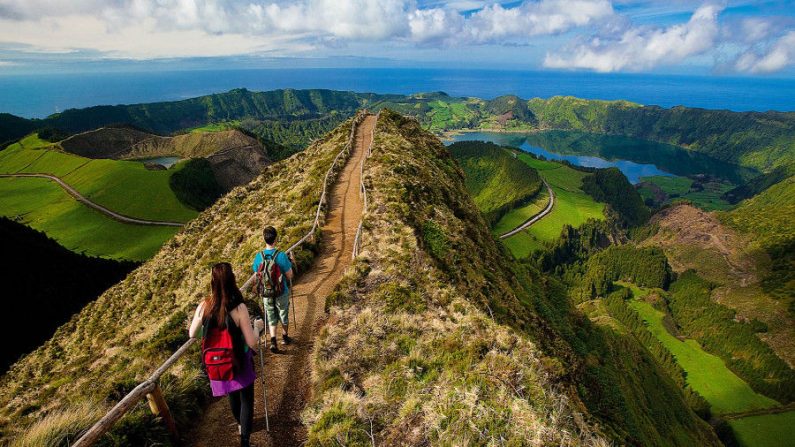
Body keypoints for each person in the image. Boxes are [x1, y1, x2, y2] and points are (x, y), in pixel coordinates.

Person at [189, 262, 264, 447]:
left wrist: (207, 334)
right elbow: (251, 342)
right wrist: (257, 328)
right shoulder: (238, 308)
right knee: (247, 399)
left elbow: (192, 333)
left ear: (212, 282)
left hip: (217, 362)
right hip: (239, 360)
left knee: (232, 394)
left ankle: (240, 425)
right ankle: (245, 441)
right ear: (232, 280)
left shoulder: (204, 306)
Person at [252, 226, 294, 353]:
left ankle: (273, 340)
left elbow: (256, 275)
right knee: (283, 313)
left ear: (264, 239)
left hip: (266, 293)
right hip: (281, 292)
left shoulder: (258, 257)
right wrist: (291, 262)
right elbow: (289, 275)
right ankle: (285, 337)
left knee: (271, 315)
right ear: (276, 239)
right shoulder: (281, 256)